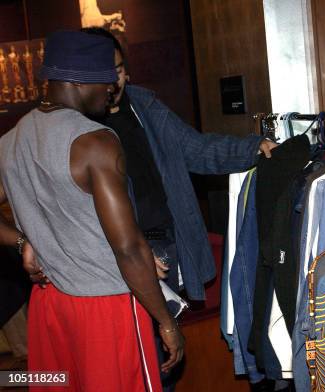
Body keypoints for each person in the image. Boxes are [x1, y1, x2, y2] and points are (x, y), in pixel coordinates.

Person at [27, 27, 277, 390]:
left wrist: (254, 149)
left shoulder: (144, 105)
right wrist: (27, 240)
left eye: (119, 69)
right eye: (106, 71)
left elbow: (196, 149)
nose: (115, 81)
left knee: (159, 360)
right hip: (114, 259)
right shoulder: (73, 128)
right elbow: (56, 200)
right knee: (123, 361)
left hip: (163, 248)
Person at [0, 30, 181, 391]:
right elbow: (127, 247)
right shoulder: (95, 141)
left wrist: (24, 242)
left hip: (50, 305)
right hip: (106, 307)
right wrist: (165, 320)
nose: (111, 92)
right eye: (107, 83)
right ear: (83, 82)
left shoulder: (10, 141)